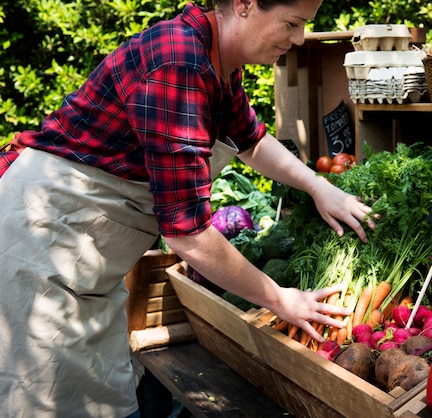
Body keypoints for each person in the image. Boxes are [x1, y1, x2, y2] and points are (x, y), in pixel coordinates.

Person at [0, 0, 375, 416]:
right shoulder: (178, 64)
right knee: (49, 401)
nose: (300, 38)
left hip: (86, 260)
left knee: (108, 399)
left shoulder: (215, 60)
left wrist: (318, 186)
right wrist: (282, 300)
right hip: (41, 247)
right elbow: (188, 235)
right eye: (292, 23)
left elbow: (249, 139)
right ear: (245, 4)